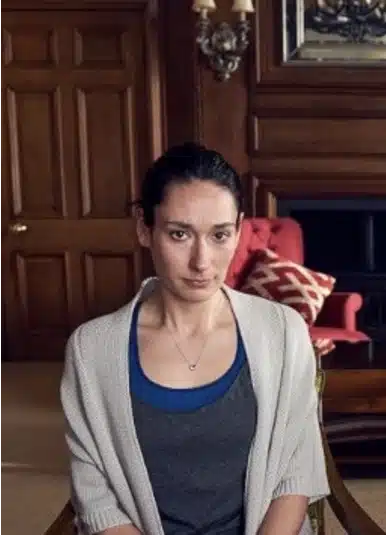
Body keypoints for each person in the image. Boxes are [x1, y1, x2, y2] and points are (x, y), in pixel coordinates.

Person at [60, 142, 329, 535]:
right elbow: (96, 499)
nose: (202, 262)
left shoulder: (283, 332)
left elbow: (296, 471)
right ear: (144, 228)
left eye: (220, 235)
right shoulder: (91, 350)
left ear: (238, 229)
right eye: (179, 234)